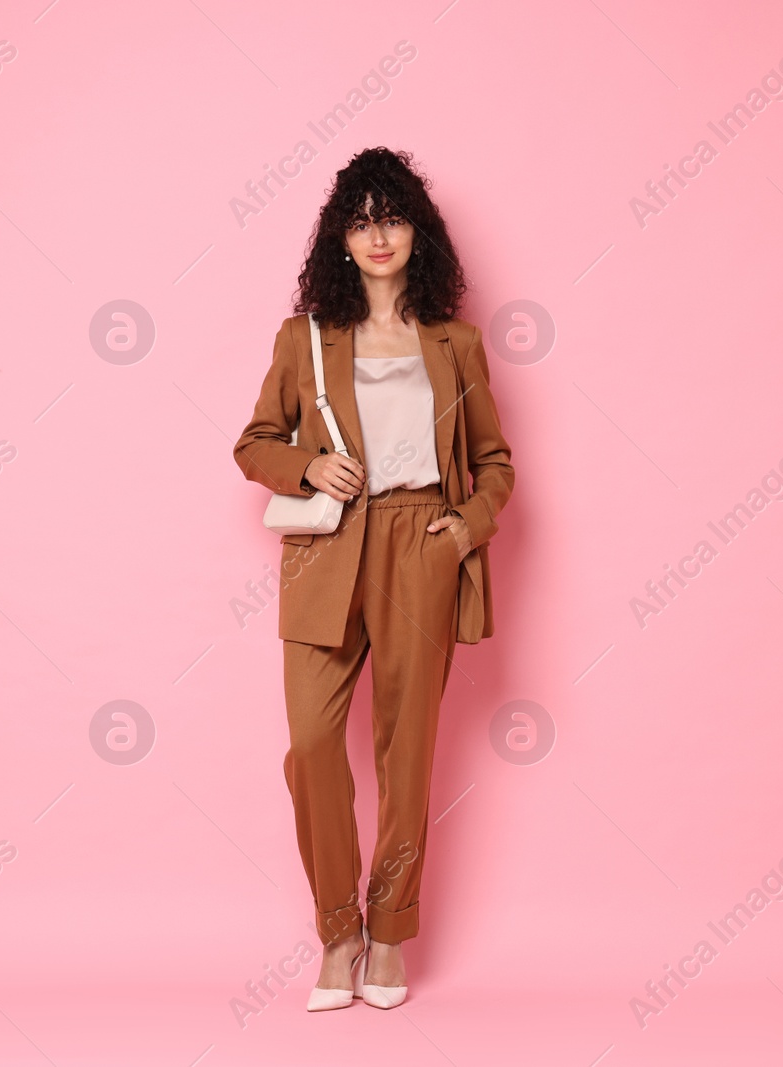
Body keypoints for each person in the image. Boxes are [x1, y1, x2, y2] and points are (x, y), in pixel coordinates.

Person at [233, 147, 515, 1011]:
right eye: (359, 220)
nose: (378, 235)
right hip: (329, 551)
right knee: (314, 746)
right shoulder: (304, 339)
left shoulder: (456, 343)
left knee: (407, 751)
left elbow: (497, 462)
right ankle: (338, 930)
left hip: (419, 542)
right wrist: (309, 466)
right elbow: (253, 444)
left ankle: (389, 931)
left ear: (417, 231)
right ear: (339, 240)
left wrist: (462, 529)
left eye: (391, 217)